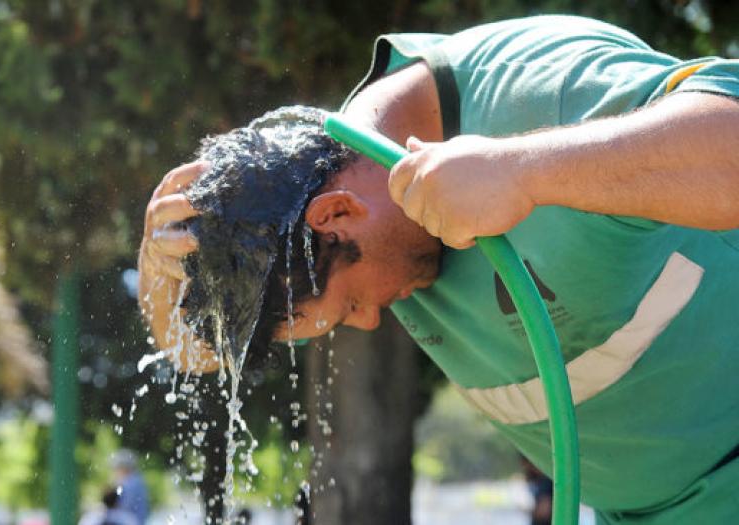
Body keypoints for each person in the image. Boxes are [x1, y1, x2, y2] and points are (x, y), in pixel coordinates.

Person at [138, 15, 739, 524]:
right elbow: (194, 354)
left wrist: (524, 170)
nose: (374, 321)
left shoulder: (529, 85)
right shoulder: (358, 224)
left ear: (338, 212)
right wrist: (156, 259)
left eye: (349, 306)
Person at [110, 449, 149, 525]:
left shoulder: (131, 484)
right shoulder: (138, 480)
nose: (115, 472)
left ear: (124, 468)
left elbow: (124, 507)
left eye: (117, 468)